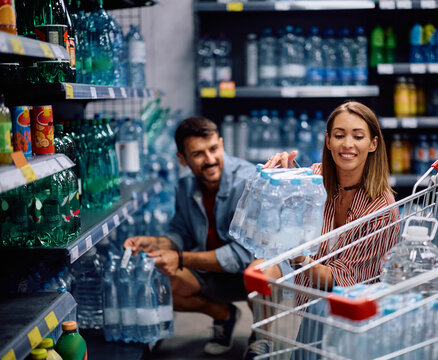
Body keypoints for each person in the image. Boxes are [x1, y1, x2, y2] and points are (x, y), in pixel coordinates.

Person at [244, 101, 400, 359]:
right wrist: (280, 178)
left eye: (357, 136)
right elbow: (292, 199)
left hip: (353, 302)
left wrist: (300, 258)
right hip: (310, 280)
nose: (347, 144)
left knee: (319, 315)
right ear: (328, 141)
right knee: (261, 269)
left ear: (373, 144)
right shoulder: (317, 177)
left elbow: (345, 280)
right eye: (339, 135)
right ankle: (261, 338)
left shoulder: (382, 208)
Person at [124, 116, 256, 355]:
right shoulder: (186, 186)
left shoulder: (247, 183)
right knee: (162, 283)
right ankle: (224, 315)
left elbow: (243, 255)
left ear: (222, 144)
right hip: (213, 271)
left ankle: (261, 336)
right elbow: (180, 232)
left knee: (262, 274)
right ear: (182, 159)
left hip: (248, 273)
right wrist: (154, 242)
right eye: (198, 154)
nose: (210, 160)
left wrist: (181, 259)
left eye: (214, 149)